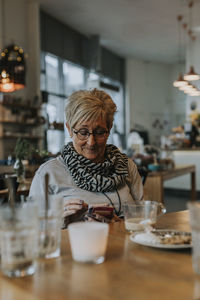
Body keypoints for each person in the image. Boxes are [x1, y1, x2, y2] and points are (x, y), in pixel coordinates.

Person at [29, 88, 143, 225]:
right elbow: (31, 228)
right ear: (70, 129)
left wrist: (118, 224)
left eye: (100, 132)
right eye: (83, 132)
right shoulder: (48, 173)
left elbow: (144, 218)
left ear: (109, 129)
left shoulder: (126, 166)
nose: (91, 142)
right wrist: (60, 221)